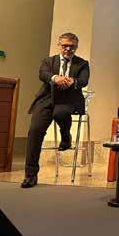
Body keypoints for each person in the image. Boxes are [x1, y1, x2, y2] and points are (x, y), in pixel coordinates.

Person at [22, 33, 90, 188]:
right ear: (59, 45)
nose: (68, 49)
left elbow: (84, 81)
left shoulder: (82, 63)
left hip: (69, 99)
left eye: (72, 46)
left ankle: (66, 136)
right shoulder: (48, 61)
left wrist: (72, 81)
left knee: (60, 113)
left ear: (76, 47)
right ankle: (30, 175)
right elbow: (43, 74)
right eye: (65, 45)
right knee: (35, 131)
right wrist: (55, 78)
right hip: (47, 98)